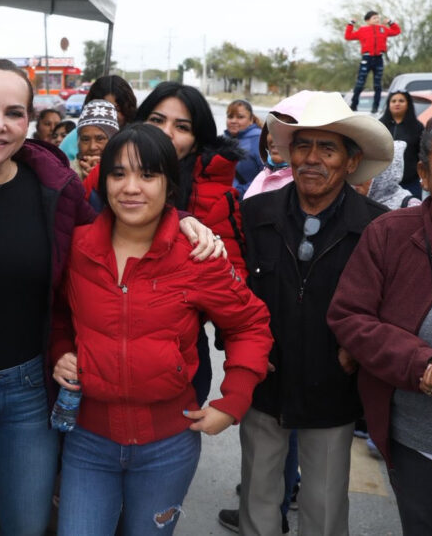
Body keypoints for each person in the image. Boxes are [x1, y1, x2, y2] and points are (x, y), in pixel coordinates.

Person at [0, 60, 223, 536]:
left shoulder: (54, 192)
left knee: (28, 522)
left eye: (14, 113)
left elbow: (126, 212)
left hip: (28, 391)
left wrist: (182, 219)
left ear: (30, 121)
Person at [52, 123, 273, 535]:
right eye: (118, 173)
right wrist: (61, 348)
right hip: (88, 442)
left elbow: (250, 324)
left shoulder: (198, 255)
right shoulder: (79, 248)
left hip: (167, 448)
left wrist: (233, 400)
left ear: (170, 184)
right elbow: (61, 313)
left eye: (147, 175)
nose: (131, 187)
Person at [236, 91, 393, 536]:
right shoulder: (255, 212)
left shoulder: (376, 226)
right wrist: (237, 347)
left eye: (328, 148)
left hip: (332, 387)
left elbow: (391, 306)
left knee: (324, 507)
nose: (312, 158)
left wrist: (360, 352)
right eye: (303, 146)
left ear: (350, 161)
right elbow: (230, 291)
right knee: (257, 496)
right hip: (265, 378)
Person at [328, 114, 432, 535]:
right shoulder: (389, 234)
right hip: (417, 446)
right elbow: (350, 316)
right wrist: (427, 362)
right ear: (424, 174)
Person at [135, 81, 247, 407]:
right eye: (157, 120)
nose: (167, 132)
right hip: (102, 354)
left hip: (179, 360)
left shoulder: (217, 198)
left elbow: (235, 286)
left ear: (197, 139)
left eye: (182, 126)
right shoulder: (104, 179)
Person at [243, 92, 316, 200]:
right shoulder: (264, 174)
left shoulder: (309, 186)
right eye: (272, 130)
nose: (275, 139)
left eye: (287, 132)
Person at [59, 75, 137, 160]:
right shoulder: (71, 140)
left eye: (116, 109)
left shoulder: (137, 139)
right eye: (102, 109)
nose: (110, 115)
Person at [345, 10, 401, 114]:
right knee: (360, 83)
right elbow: (348, 36)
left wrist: (391, 22)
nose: (377, 19)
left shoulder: (383, 29)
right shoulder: (363, 30)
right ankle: (354, 104)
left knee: (377, 85)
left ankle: (375, 107)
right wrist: (351, 24)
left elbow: (396, 31)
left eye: (378, 18)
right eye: (374, 18)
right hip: (367, 58)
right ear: (367, 20)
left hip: (378, 58)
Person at [380, 90, 425, 197]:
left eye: (401, 101)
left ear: (408, 104)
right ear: (388, 104)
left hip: (411, 182)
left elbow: (422, 153)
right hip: (384, 183)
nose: (397, 103)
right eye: (393, 101)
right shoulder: (380, 126)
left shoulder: (417, 127)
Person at [72, 99, 119, 180]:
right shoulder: (66, 174)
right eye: (85, 139)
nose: (92, 147)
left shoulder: (126, 171)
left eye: (100, 139)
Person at [226, 100, 264, 196]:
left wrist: (238, 192)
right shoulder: (224, 140)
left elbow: (266, 176)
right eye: (230, 117)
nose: (234, 121)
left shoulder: (259, 140)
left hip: (248, 201)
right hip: (227, 199)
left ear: (251, 120)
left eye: (240, 117)